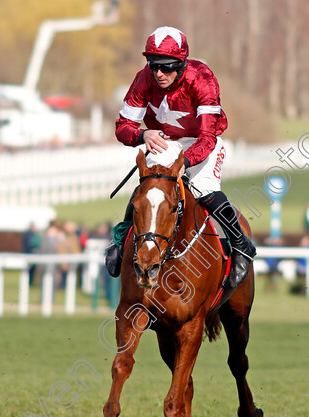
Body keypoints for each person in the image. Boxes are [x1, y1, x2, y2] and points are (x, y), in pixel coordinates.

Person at [104, 26, 256, 289]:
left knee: (205, 189)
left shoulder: (203, 79)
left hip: (200, 142)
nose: (158, 73)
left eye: (166, 67)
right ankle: (121, 240)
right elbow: (122, 127)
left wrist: (184, 164)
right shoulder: (144, 79)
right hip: (165, 141)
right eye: (153, 66)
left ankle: (241, 245)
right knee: (148, 188)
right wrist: (142, 135)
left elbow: (208, 137)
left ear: (181, 63)